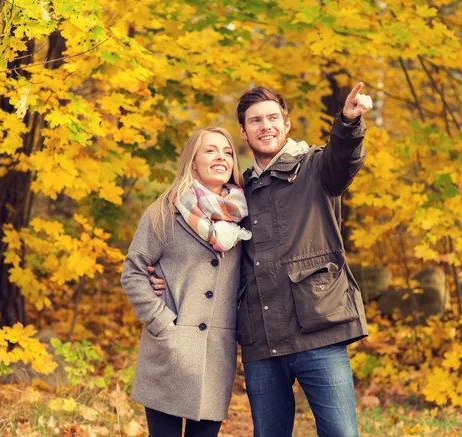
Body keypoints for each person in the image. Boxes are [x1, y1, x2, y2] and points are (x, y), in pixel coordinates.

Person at [151, 83, 372, 437]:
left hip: (319, 330)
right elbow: (207, 248)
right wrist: (161, 273)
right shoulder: (238, 191)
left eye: (272, 118)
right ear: (244, 131)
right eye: (255, 121)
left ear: (286, 124)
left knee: (340, 433)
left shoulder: (317, 167)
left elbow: (345, 157)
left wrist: (348, 121)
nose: (265, 126)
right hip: (261, 339)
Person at [121, 127, 251, 437]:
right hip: (169, 350)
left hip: (216, 354)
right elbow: (134, 271)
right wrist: (163, 322)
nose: (221, 156)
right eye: (210, 150)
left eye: (227, 151)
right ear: (192, 162)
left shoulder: (245, 215)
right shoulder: (164, 211)